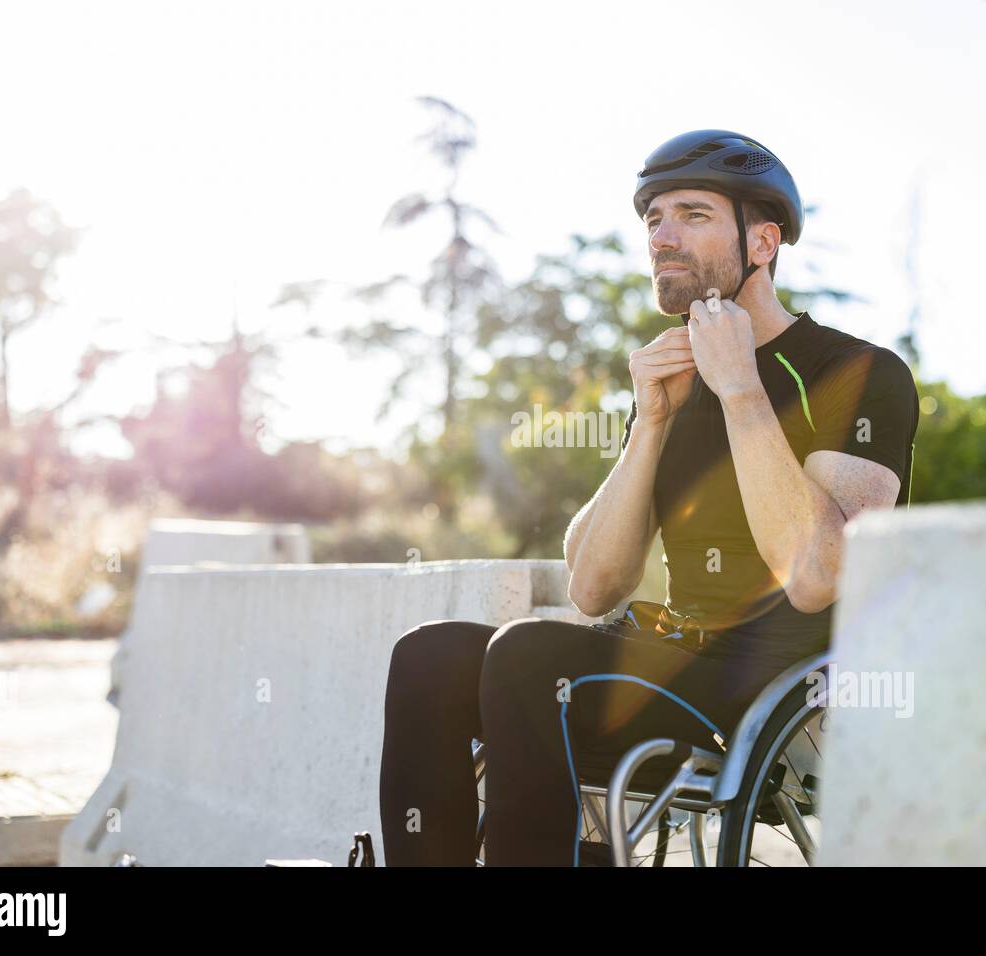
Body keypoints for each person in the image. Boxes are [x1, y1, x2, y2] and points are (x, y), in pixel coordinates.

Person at [378, 129, 920, 866]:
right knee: (430, 656)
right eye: (653, 219)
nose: (663, 236)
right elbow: (595, 585)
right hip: (663, 660)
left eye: (693, 215)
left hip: (766, 696)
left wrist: (739, 390)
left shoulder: (858, 372)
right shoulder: (669, 380)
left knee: (530, 656)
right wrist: (651, 421)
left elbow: (820, 574)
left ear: (763, 242)